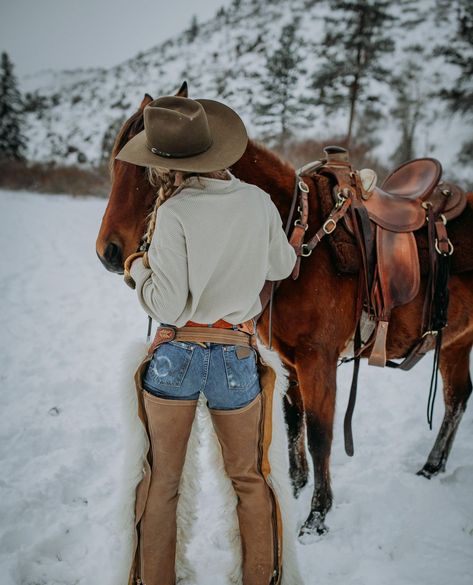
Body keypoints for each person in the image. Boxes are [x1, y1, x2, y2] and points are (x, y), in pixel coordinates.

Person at [115, 95, 297, 585]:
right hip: (237, 356)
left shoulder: (174, 212)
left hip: (177, 355)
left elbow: (168, 305)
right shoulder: (258, 202)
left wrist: (138, 270)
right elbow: (282, 267)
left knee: (163, 483)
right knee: (250, 481)